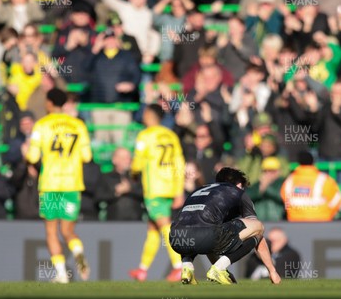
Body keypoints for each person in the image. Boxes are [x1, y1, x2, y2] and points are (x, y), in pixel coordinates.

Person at [171, 167, 282, 285]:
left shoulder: (198, 191)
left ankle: (187, 267)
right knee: (258, 227)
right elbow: (257, 231)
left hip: (176, 239)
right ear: (239, 184)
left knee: (196, 226)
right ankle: (219, 269)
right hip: (206, 236)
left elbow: (204, 235)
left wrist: (221, 268)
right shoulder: (237, 192)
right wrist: (272, 270)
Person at [26, 88, 92, 283]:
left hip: (50, 184)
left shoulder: (42, 125)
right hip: (72, 184)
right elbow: (88, 156)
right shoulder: (78, 125)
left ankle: (62, 274)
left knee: (51, 231)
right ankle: (78, 251)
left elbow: (32, 156)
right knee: (68, 231)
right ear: (64, 104)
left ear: (48, 103)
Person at [129, 104, 185, 282]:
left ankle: (179, 266)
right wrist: (179, 190)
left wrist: (133, 173)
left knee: (163, 224)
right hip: (170, 185)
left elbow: (137, 163)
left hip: (154, 186)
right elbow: (179, 164)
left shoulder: (145, 135)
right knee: (153, 229)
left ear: (149, 115)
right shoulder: (171, 135)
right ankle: (142, 269)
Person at [281, 151, 341, 222]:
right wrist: (328, 214)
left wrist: (293, 213)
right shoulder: (323, 179)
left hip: (296, 222)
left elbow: (286, 201)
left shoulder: (289, 180)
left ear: (298, 163)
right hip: (322, 221)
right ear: (313, 162)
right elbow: (337, 199)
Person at [96, 147, 142, 221]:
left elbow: (146, 194)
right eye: (124, 158)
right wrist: (116, 192)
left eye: (129, 158)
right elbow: (98, 197)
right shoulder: (106, 177)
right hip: (114, 222)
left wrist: (130, 189)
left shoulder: (137, 176)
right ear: (114, 160)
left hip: (136, 221)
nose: (127, 161)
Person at [245, 157, 286, 221]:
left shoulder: (283, 183)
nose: (268, 173)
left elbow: (283, 197)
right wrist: (259, 189)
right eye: (265, 171)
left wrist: (266, 188)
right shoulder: (258, 184)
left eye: (272, 171)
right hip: (260, 222)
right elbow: (246, 197)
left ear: (279, 171)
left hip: (278, 222)